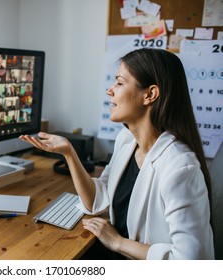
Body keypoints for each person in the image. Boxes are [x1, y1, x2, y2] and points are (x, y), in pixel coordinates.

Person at [20, 48, 214, 260]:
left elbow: (191, 263)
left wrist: (117, 242)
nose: (109, 90)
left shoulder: (179, 168)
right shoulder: (127, 140)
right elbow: (97, 200)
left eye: (119, 83)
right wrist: (69, 153)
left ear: (149, 95)